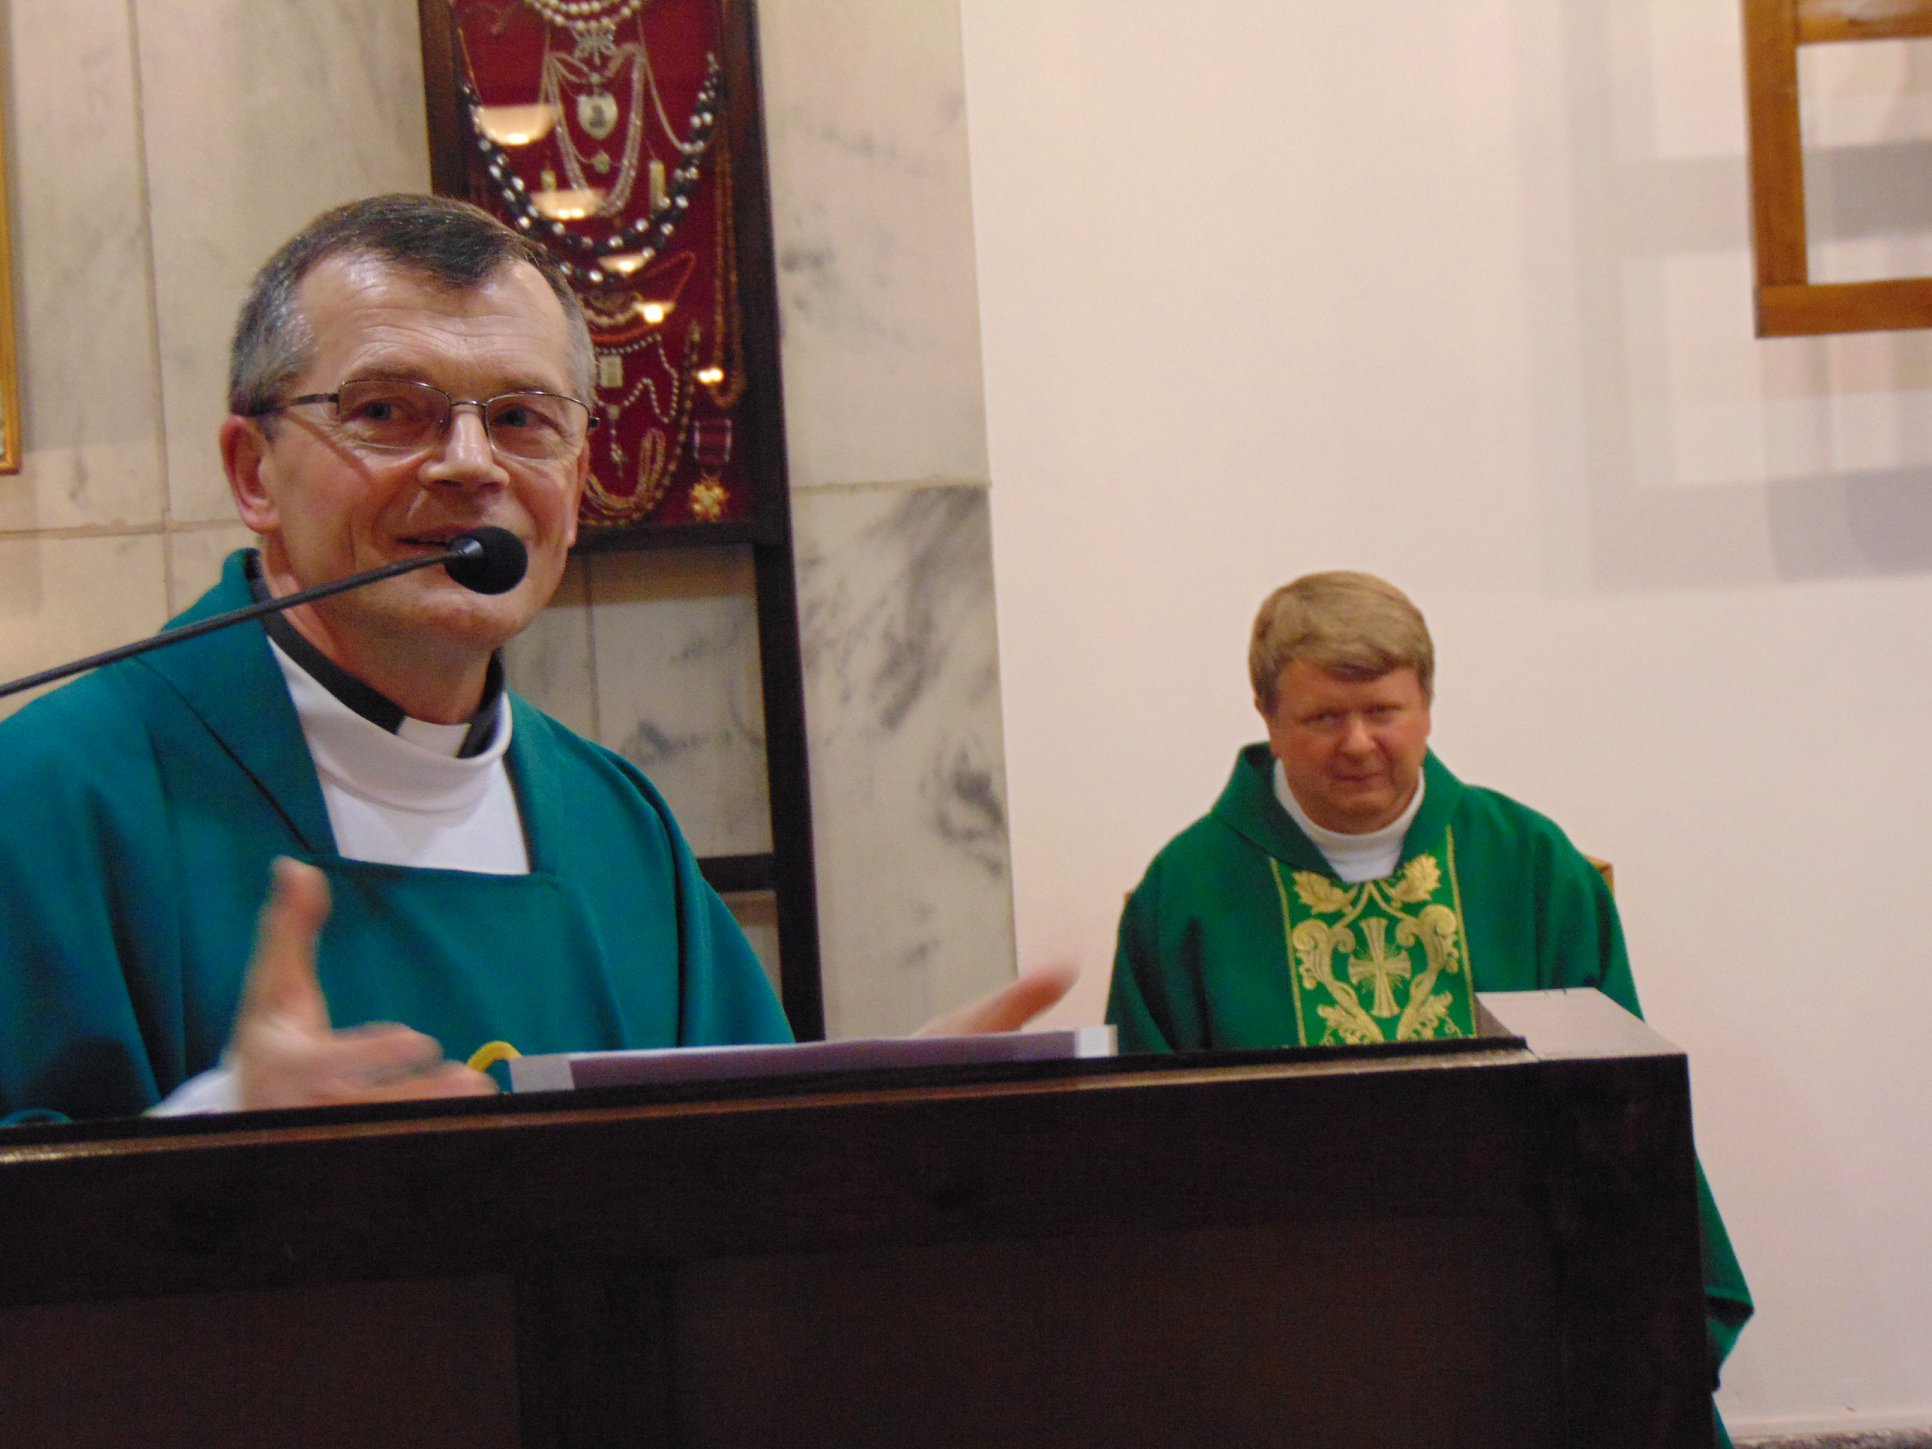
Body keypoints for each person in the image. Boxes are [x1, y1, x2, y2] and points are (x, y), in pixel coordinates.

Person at [0, 194, 1066, 1124]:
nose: (471, 466)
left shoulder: (616, 824)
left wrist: (872, 1138)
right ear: (253, 472)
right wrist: (209, 1138)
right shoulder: (51, 796)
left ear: (578, 477)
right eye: (387, 411)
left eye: (520, 418)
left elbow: (729, 1182)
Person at [1106, 570, 1753, 1440]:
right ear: (1268, 717)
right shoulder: (1186, 897)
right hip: (1284, 1334)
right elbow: (1143, 1161)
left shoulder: (1530, 865)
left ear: (1427, 707)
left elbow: (1626, 1121)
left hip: (1526, 1318)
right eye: (1323, 718)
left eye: (1384, 710)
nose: (1358, 743)